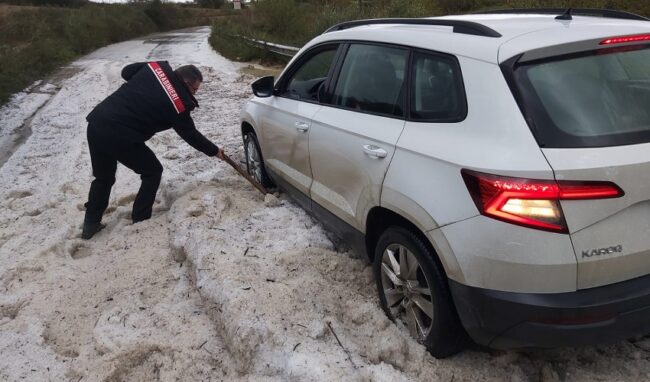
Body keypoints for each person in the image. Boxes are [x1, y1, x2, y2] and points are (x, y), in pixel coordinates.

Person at [81, 61, 224, 239]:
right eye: (194, 90)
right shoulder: (178, 104)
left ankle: (90, 225)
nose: (194, 94)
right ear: (186, 83)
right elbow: (190, 134)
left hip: (98, 123)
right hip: (121, 135)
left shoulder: (156, 67)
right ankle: (141, 219)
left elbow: (126, 71)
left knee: (103, 178)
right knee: (152, 171)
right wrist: (214, 151)